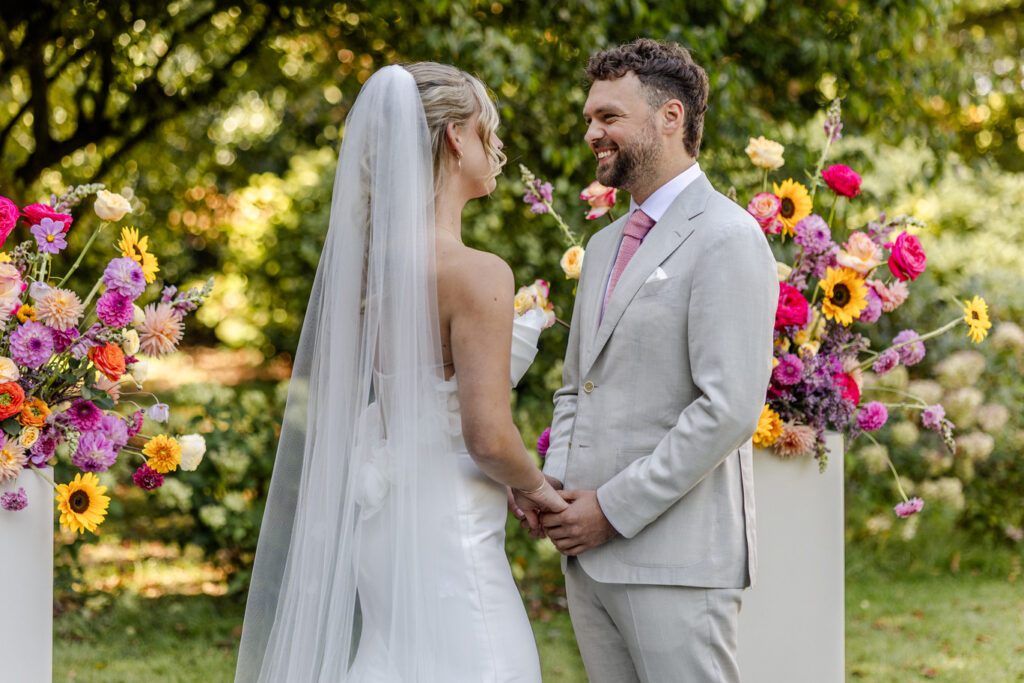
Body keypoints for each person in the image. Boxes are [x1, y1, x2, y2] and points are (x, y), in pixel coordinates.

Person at [235, 62, 566, 682]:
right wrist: (540, 490)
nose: (496, 146)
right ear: (454, 138)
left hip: (383, 518)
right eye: (486, 128)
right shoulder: (478, 273)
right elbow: (488, 437)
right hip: (449, 523)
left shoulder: (370, 272)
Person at [538, 39, 778, 682]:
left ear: (670, 116)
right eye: (590, 118)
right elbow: (574, 389)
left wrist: (610, 510)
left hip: (676, 562)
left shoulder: (728, 236)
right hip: (587, 557)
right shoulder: (605, 241)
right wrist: (556, 489)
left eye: (608, 117)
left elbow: (728, 409)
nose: (592, 132)